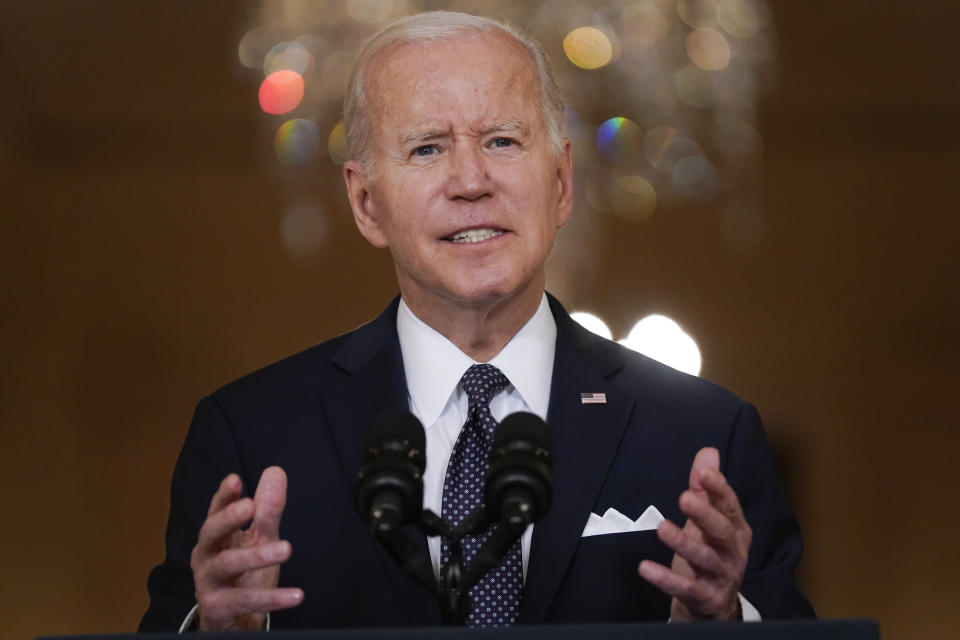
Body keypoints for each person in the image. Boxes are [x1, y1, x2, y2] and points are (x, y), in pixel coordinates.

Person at [140, 11, 814, 632]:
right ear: (366, 202)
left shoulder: (704, 438)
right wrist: (216, 632)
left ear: (560, 183)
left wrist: (726, 622)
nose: (470, 181)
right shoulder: (251, 439)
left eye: (501, 140)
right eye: (428, 149)